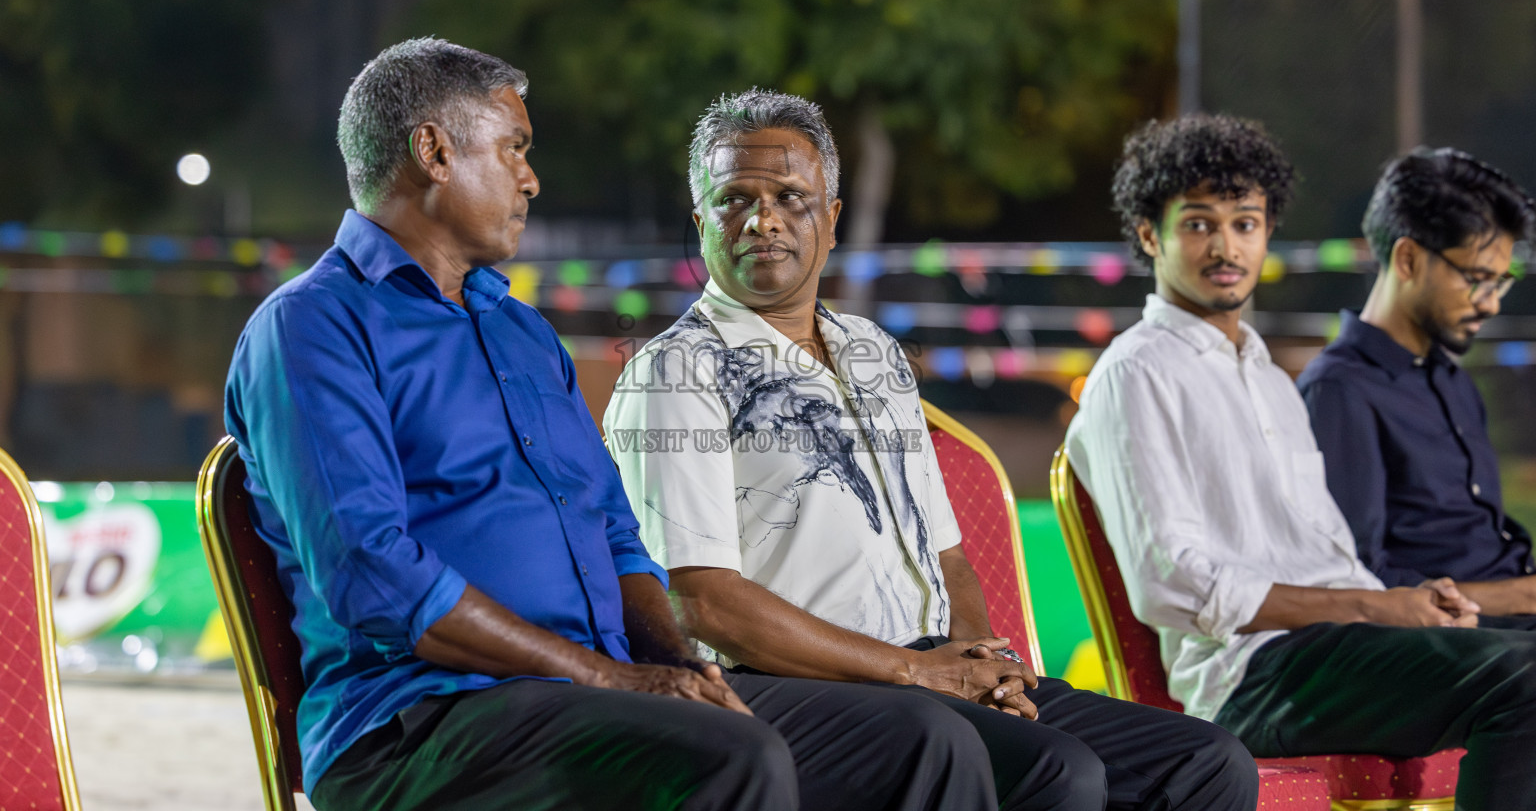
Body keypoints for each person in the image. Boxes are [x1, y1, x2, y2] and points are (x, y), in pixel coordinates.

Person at [224, 40, 1005, 811]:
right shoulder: (311, 326)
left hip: (596, 695)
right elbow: (374, 573)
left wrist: (678, 670)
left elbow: (619, 538)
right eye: (514, 149)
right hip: (425, 719)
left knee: (922, 741)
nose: (530, 178)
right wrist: (609, 676)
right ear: (434, 151)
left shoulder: (522, 333)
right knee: (731, 757)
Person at [604, 88, 1260, 811]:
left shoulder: (873, 351)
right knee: (1055, 771)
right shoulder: (676, 369)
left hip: (926, 668)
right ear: (700, 221)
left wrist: (983, 666)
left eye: (791, 196)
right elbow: (703, 604)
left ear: (831, 219)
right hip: (789, 684)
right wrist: (916, 675)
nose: (763, 220)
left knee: (1204, 761)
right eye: (733, 199)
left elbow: (947, 556)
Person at [1065, 113, 1536, 811]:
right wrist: (1375, 606)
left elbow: (1330, 553)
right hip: (1254, 674)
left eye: (1245, 223)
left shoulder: (1267, 376)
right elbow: (1170, 582)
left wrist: (1413, 606)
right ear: (1148, 235)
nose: (1226, 245)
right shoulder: (1137, 372)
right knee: (1526, 682)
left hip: (1338, 646)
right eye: (1198, 224)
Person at [1296, 148, 1536, 618]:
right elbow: (1355, 581)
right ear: (1407, 259)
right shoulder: (1340, 390)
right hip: (1455, 645)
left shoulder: (1453, 382)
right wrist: (1522, 596)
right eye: (1477, 280)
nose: (1490, 304)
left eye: (1500, 283)